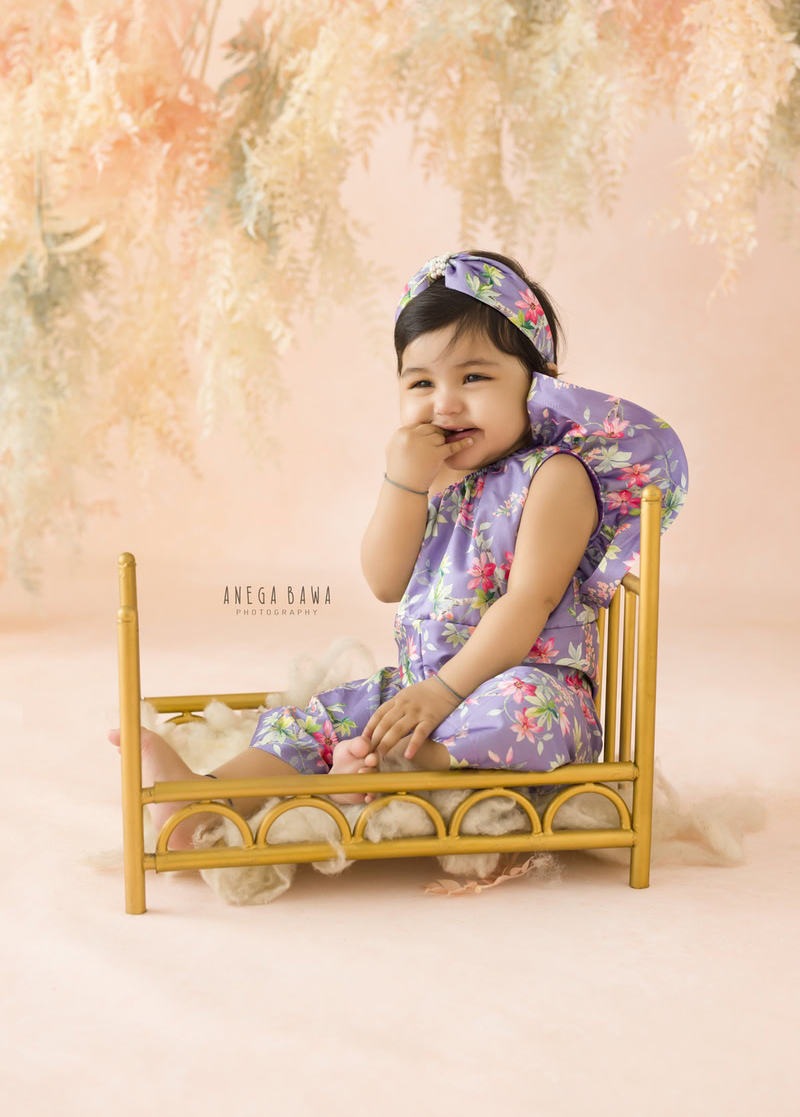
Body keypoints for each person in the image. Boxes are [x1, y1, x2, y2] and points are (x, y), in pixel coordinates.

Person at [108, 249, 689, 847]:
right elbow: (385, 581)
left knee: (520, 711)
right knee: (326, 715)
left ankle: (399, 771)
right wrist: (403, 484)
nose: (444, 403)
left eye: (474, 376)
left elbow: (530, 602)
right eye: (420, 383)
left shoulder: (554, 476)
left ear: (536, 383)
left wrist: (444, 694)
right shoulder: (434, 476)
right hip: (421, 682)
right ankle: (203, 800)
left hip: (523, 679)